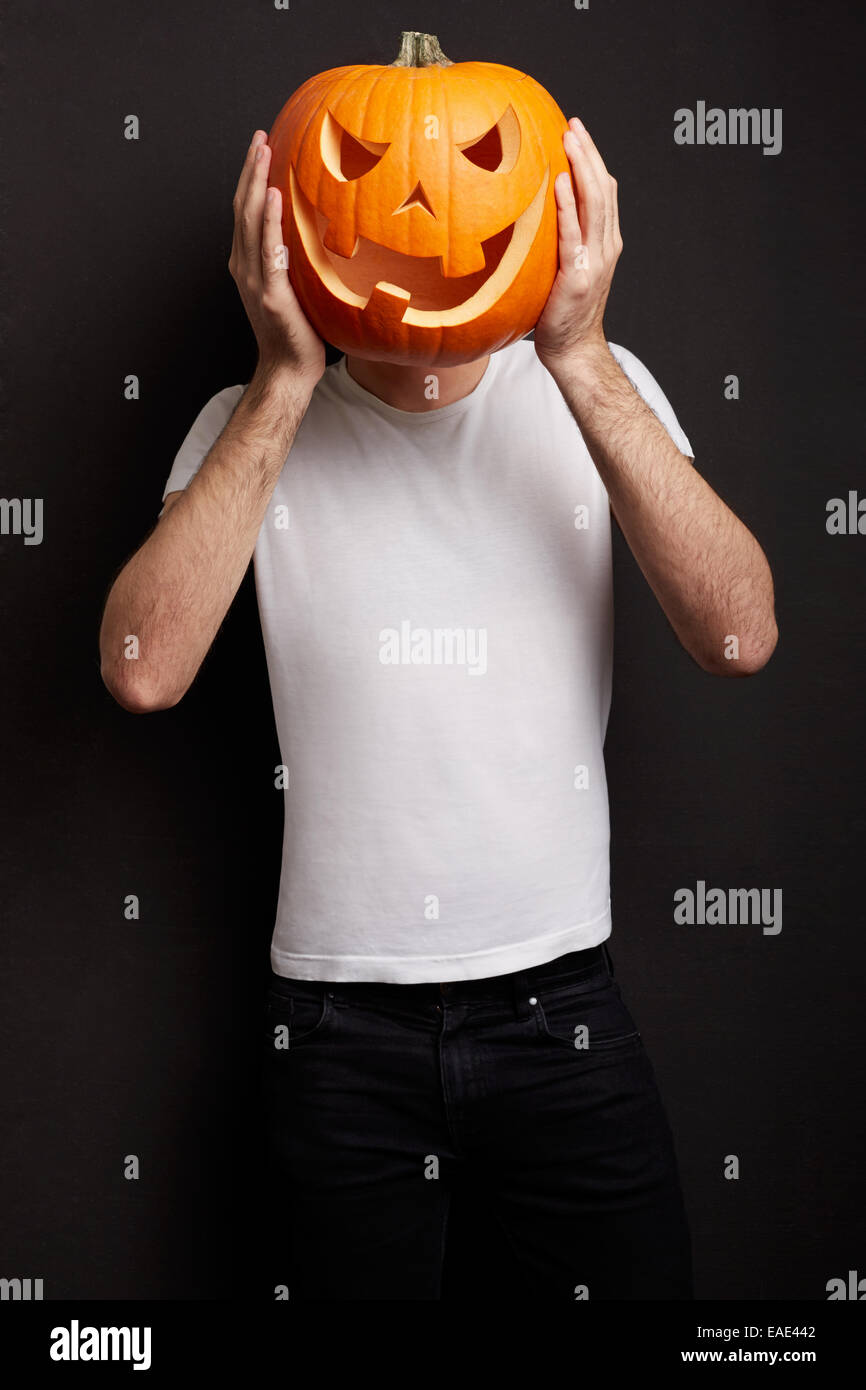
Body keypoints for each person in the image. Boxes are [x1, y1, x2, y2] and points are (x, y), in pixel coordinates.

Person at [99, 117, 777, 1300]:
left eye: (472, 168)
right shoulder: (242, 422)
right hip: (330, 1031)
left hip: (559, 1004)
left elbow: (742, 634)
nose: (415, 219)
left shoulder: (600, 396)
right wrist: (282, 380)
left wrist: (579, 356)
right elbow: (143, 668)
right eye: (360, 173)